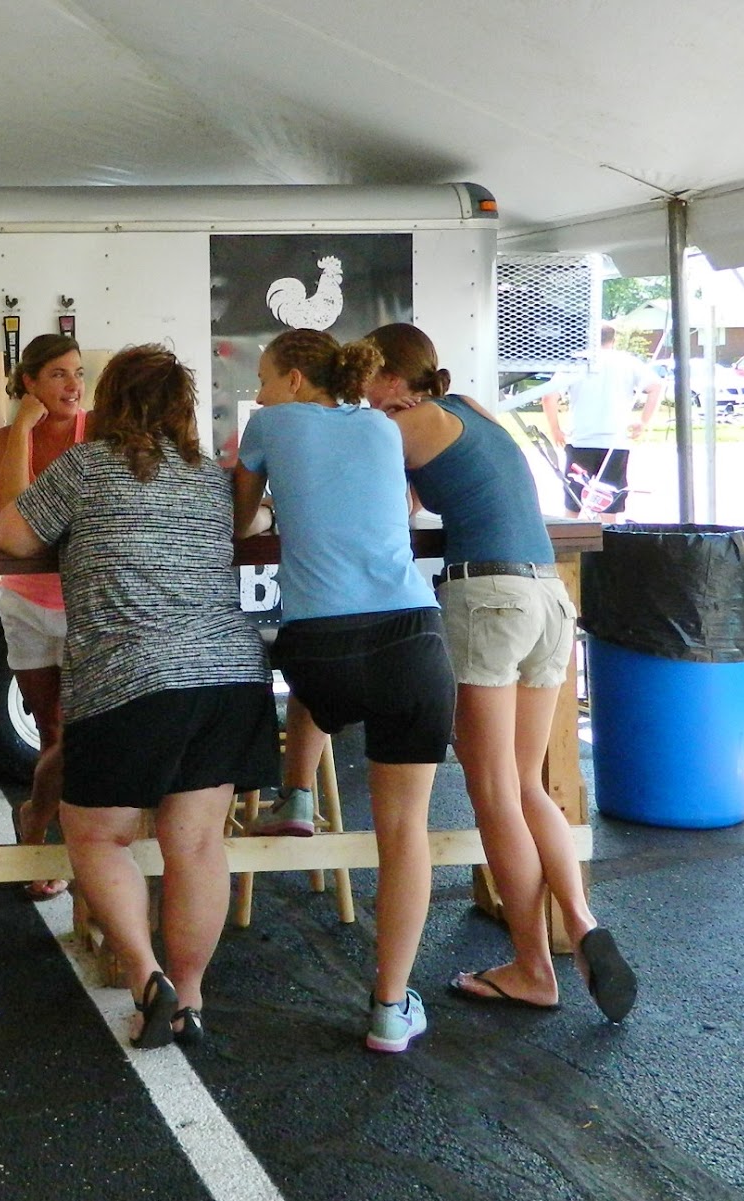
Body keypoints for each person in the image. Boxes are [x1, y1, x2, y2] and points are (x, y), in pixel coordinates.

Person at [0, 344, 278, 1048]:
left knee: (96, 834)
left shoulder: (85, 467)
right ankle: (191, 1001)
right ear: (182, 409)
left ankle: (149, 979)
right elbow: (255, 524)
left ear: (110, 403)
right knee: (197, 842)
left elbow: (9, 534)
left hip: (129, 678)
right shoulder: (209, 479)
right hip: (228, 676)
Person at [365, 322, 638, 1023]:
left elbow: (379, 510)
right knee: (524, 783)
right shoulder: (468, 409)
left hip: (488, 596)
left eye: (364, 375)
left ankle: (533, 968)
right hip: (547, 594)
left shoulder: (402, 425)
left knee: (491, 792)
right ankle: (581, 921)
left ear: (390, 377)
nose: (359, 391)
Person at [232, 328, 454, 1054]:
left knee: (312, 676)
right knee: (404, 833)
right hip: (412, 642)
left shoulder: (268, 424)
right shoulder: (383, 429)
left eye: (265, 378)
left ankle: (296, 796)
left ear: (295, 380)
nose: (260, 392)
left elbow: (238, 521)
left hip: (321, 655)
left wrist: (277, 511)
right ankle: (390, 1007)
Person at [0, 333, 86, 901]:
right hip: (25, 601)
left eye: (78, 373)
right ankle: (39, 830)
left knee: (76, 734)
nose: (73, 385)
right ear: (29, 383)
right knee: (49, 728)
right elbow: (8, 508)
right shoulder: (7, 437)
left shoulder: (95, 431)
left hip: (80, 602)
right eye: (58, 374)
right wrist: (24, 426)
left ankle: (56, 837)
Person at [538, 324, 663, 521]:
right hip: (615, 443)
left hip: (581, 441)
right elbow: (656, 387)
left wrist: (555, 429)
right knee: (609, 506)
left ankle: (570, 540)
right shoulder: (627, 362)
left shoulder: (575, 362)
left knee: (573, 505)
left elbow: (549, 396)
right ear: (613, 340)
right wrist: (643, 421)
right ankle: (608, 539)